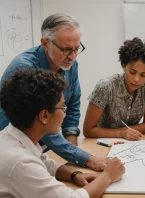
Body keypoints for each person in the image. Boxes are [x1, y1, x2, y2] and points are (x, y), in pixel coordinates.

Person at [0, 13, 108, 171]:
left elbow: (73, 103)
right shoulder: (24, 68)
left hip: (40, 148)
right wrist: (84, 158)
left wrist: (72, 140)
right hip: (12, 151)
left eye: (76, 49)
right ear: (45, 43)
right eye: (66, 50)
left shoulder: (70, 64)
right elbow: (39, 122)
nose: (72, 56)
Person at [0, 70, 125, 198]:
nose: (64, 114)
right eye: (62, 107)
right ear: (44, 116)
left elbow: (46, 164)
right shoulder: (20, 162)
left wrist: (74, 175)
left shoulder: (14, 137)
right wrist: (108, 176)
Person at [83, 37, 145, 140]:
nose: (136, 79)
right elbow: (88, 130)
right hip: (102, 142)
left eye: (143, 75)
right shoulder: (105, 87)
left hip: (131, 143)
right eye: (132, 72)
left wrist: (127, 133)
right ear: (123, 66)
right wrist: (122, 133)